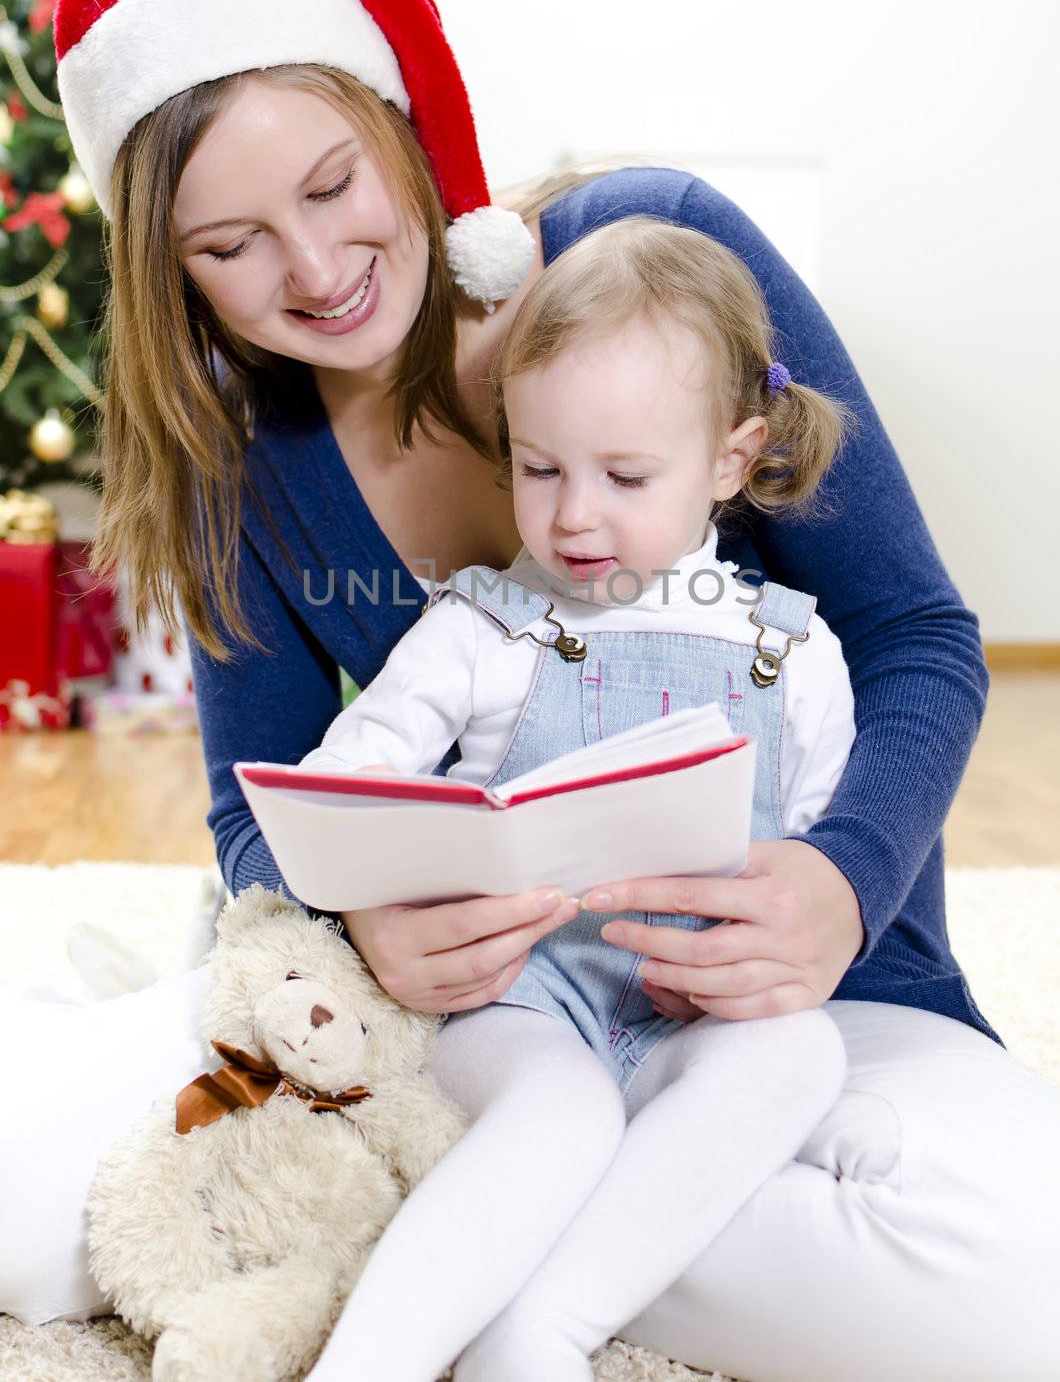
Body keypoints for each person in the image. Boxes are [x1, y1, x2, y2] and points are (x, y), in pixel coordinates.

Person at [2, 0, 1057, 1382]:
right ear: (172, 273)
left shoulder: (663, 256)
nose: (311, 271)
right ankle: (527, 1218)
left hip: (773, 1004)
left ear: (399, 117)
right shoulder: (247, 453)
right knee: (29, 1212)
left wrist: (842, 882)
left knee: (1024, 1296)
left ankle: (479, 1253)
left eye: (331, 185)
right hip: (458, 1020)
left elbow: (917, 638)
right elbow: (260, 813)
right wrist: (362, 924)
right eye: (230, 244)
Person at [293, 213, 856, 1381]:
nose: (573, 514)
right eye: (539, 469)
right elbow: (346, 781)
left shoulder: (791, 652)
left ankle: (539, 1327)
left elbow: (819, 857)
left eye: (624, 475)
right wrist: (390, 878)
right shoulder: (484, 625)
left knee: (800, 1060)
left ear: (729, 460)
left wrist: (780, 957)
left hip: (687, 1013)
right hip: (515, 1002)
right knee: (561, 1120)